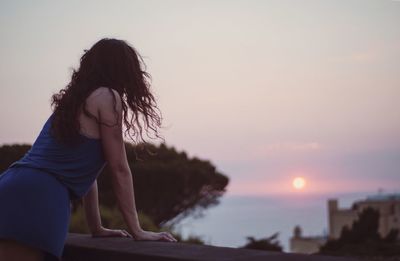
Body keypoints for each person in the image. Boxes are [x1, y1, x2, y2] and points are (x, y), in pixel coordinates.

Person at [0, 38, 177, 261]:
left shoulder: (74, 102)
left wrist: (96, 227)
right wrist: (137, 231)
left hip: (11, 185)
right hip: (38, 197)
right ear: (123, 69)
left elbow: (86, 172)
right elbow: (119, 168)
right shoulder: (107, 97)